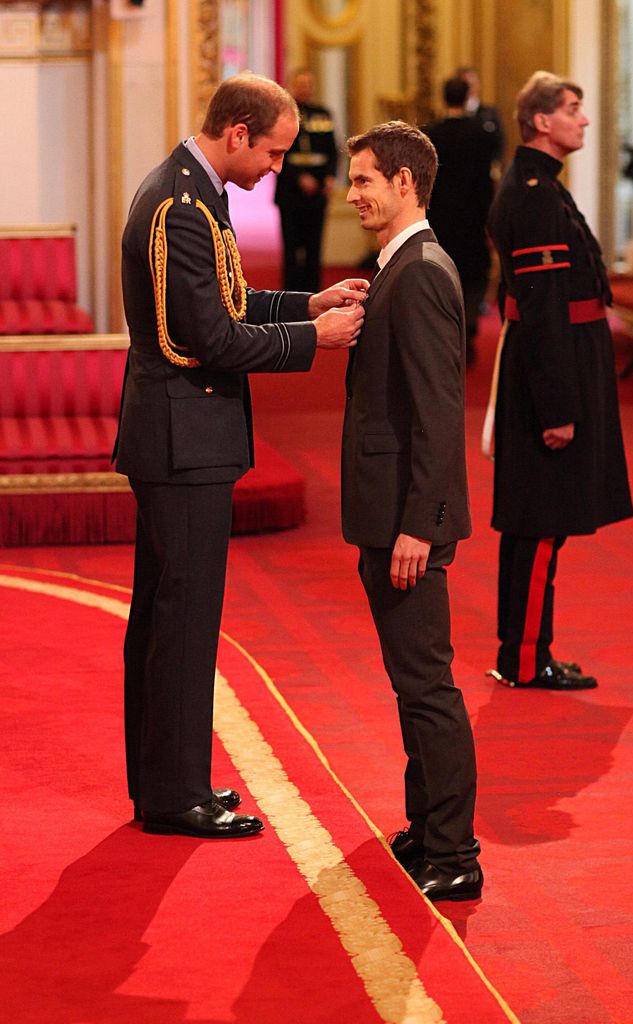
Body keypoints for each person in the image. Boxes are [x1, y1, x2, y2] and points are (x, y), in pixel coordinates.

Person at [115, 72, 366, 839]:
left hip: (185, 436)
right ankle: (172, 795)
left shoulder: (195, 190)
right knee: (180, 621)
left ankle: (173, 780)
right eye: (273, 151)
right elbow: (210, 338)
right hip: (181, 437)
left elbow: (226, 301)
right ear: (236, 134)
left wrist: (304, 303)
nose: (276, 169)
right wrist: (312, 342)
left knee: (171, 619)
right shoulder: (178, 204)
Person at [344, 121, 482, 902]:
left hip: (407, 522)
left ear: (405, 184)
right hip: (388, 512)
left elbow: (438, 411)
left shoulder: (422, 270)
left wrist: (419, 526)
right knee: (410, 681)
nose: (352, 193)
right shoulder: (399, 265)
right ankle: (426, 825)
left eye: (364, 179)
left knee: (427, 684)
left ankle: (455, 850)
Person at [484, 71, 633, 691]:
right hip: (553, 368)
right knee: (541, 521)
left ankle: (529, 651)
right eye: (574, 109)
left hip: (556, 357)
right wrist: (557, 408)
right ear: (542, 122)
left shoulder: (536, 186)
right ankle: (525, 658)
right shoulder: (536, 195)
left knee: (538, 522)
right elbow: (542, 305)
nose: (585, 120)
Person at [425, 76, 499, 363]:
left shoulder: (433, 134)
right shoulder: (482, 133)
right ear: (468, 96)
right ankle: (468, 330)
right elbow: (486, 181)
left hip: (441, 217)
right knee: (472, 275)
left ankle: (444, 334)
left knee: (443, 273)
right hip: (473, 216)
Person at [274, 68, 338, 291]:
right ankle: (290, 294)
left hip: (317, 193)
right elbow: (276, 151)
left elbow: (332, 150)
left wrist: (330, 177)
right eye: (300, 84)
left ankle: (313, 293)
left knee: (314, 247)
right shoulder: (280, 114)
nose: (305, 89)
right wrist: (300, 177)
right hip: (291, 192)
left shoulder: (323, 114)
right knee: (291, 249)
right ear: (291, 86)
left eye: (308, 84)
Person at [456, 65, 504, 162]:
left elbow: (498, 144)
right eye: (466, 85)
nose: (470, 89)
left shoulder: (490, 114)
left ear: (478, 85)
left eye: (473, 84)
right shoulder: (453, 116)